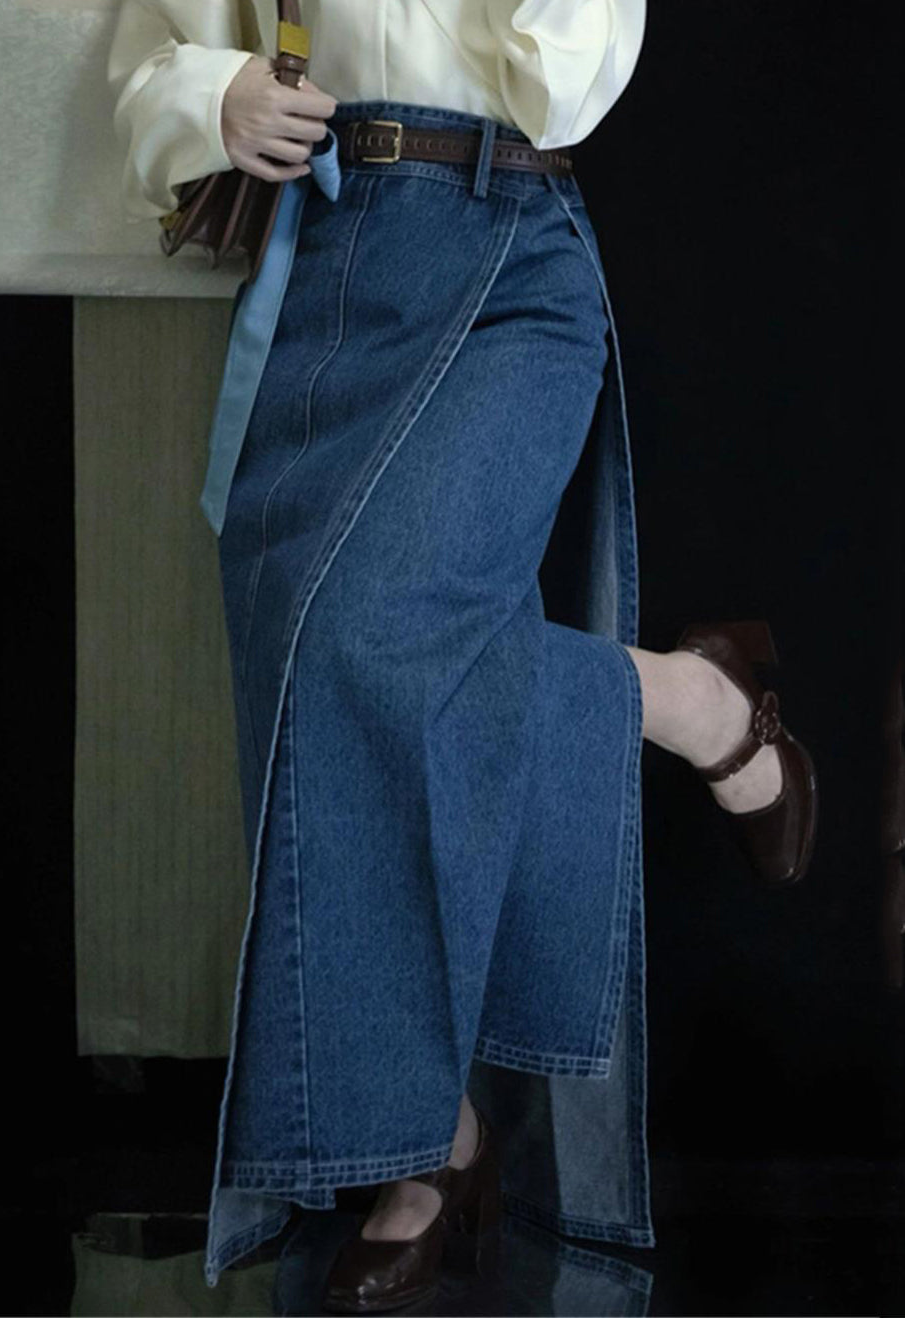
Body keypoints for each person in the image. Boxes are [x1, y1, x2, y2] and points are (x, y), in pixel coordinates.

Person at [107, 1, 818, 1310]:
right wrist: (215, 97)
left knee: (368, 642)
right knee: (309, 684)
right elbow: (149, 55)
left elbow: (563, 80)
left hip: (508, 243)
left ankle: (696, 702)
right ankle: (431, 1142)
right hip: (324, 263)